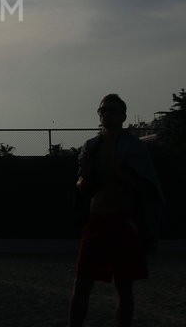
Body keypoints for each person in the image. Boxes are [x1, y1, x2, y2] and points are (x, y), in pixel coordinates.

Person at [68, 93, 165, 327]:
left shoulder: (135, 148)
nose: (106, 114)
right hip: (97, 220)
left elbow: (149, 188)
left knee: (124, 285)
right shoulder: (91, 147)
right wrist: (86, 173)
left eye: (112, 110)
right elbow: (81, 187)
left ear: (123, 116)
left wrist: (124, 174)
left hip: (124, 221)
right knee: (82, 283)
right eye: (103, 110)